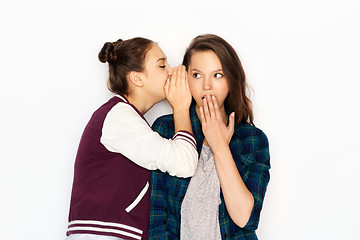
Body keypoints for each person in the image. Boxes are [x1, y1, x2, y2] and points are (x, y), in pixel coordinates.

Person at [66, 37, 199, 240]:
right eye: (162, 65)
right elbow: (185, 163)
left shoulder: (125, 118)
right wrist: (180, 107)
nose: (172, 71)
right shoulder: (118, 117)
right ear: (137, 79)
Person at [149, 34, 271, 240]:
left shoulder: (252, 140)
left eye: (218, 75)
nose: (207, 85)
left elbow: (245, 219)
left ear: (231, 80)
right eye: (197, 75)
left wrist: (219, 145)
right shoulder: (166, 128)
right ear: (186, 78)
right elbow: (157, 219)